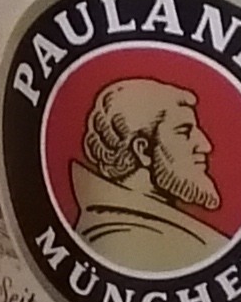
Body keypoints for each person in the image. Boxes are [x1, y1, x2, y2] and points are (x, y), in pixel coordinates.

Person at [67, 75, 222, 271]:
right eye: (184, 132)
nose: (205, 146)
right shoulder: (120, 234)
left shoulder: (166, 229)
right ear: (143, 150)